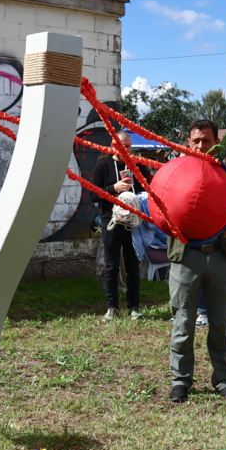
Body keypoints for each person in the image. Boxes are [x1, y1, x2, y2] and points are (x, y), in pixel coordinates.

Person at [166, 119, 226, 405]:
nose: (200, 146)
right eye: (195, 140)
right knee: (183, 322)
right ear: (188, 142)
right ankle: (180, 381)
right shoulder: (176, 173)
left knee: (221, 324)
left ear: (215, 143)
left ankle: (223, 380)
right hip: (186, 258)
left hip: (220, 256)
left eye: (206, 141)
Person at [91, 130, 149, 322]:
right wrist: (113, 188)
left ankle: (134, 307)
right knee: (111, 265)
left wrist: (137, 190)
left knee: (133, 265)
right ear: (113, 145)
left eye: (129, 146)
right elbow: (93, 194)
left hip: (133, 222)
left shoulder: (136, 164)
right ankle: (112, 307)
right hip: (111, 220)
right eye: (122, 145)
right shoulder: (103, 164)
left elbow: (149, 187)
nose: (126, 149)